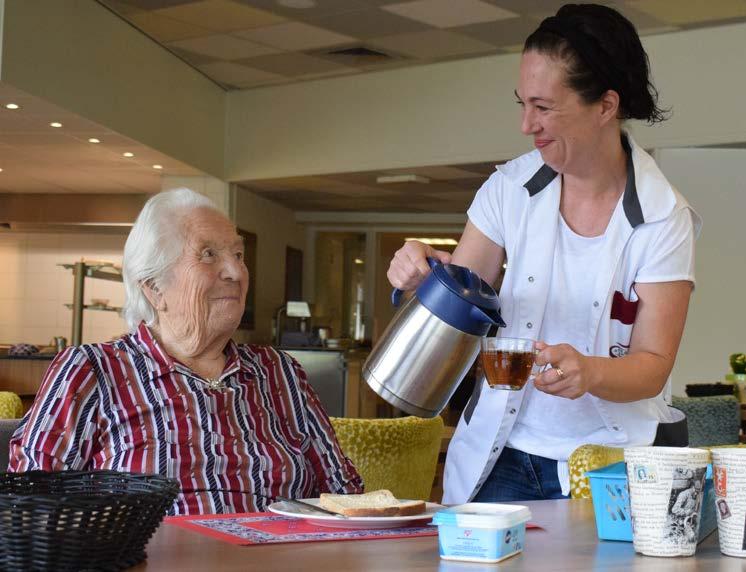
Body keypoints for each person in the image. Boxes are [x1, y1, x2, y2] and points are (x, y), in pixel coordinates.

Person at [387, 4, 700, 504]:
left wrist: (591, 371)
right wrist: (420, 276)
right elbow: (461, 305)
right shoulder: (508, 188)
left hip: (609, 464)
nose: (526, 124)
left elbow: (653, 365)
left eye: (544, 107)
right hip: (501, 453)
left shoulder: (663, 218)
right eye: (522, 103)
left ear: (605, 106)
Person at [8, 189, 363, 514]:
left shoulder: (278, 373)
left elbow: (345, 496)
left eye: (238, 255)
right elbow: (29, 507)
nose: (236, 271)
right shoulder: (91, 372)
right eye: (208, 255)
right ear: (154, 288)